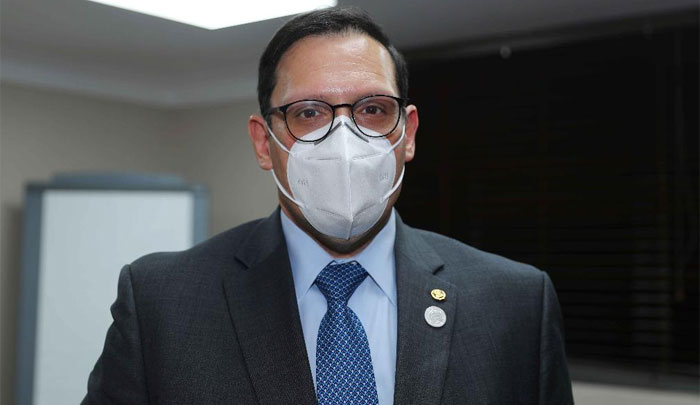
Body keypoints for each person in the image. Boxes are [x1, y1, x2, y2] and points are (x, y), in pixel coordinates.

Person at [84, 7, 574, 404]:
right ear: (263, 142)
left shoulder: (514, 303)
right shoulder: (161, 303)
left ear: (408, 134)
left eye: (373, 109)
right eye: (309, 112)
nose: (344, 140)